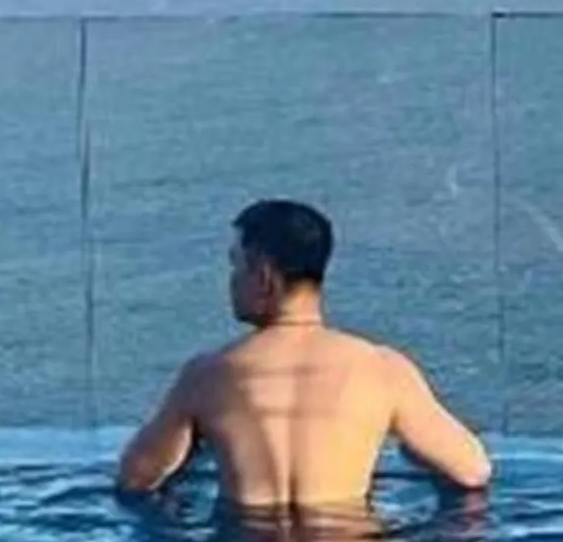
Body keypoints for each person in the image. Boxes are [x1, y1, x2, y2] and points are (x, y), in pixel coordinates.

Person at [114, 198, 493, 509]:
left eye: (235, 265)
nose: (231, 281)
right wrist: (413, 452)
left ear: (263, 275)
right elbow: (473, 471)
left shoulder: (208, 375)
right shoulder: (382, 369)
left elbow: (135, 478)